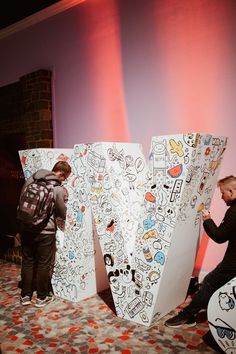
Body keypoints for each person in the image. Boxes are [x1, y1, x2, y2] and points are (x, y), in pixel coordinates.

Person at [165, 175, 236, 328]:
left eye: (223, 193)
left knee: (209, 281)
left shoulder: (234, 211)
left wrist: (207, 219)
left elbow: (219, 236)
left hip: (233, 263)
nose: (221, 197)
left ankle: (187, 316)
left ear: (231, 192)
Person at [18, 161, 71, 308]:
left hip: (26, 228)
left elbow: (23, 199)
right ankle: (42, 297)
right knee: (43, 263)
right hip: (45, 231)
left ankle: (26, 295)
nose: (63, 180)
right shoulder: (57, 188)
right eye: (64, 178)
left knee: (28, 261)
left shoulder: (33, 178)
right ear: (60, 173)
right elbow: (61, 211)